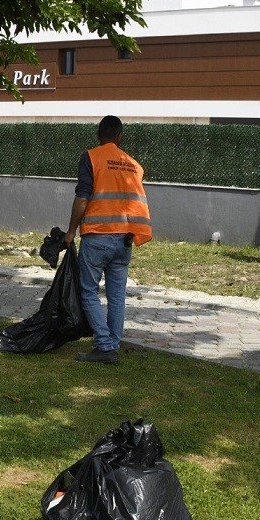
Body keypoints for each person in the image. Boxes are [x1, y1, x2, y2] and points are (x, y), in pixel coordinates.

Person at [64, 115, 151, 365]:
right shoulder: (134, 165)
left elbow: (82, 199)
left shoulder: (92, 157)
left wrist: (71, 231)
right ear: (120, 136)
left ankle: (104, 345)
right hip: (124, 239)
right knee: (116, 295)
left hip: (97, 236)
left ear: (98, 135)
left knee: (88, 291)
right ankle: (113, 343)